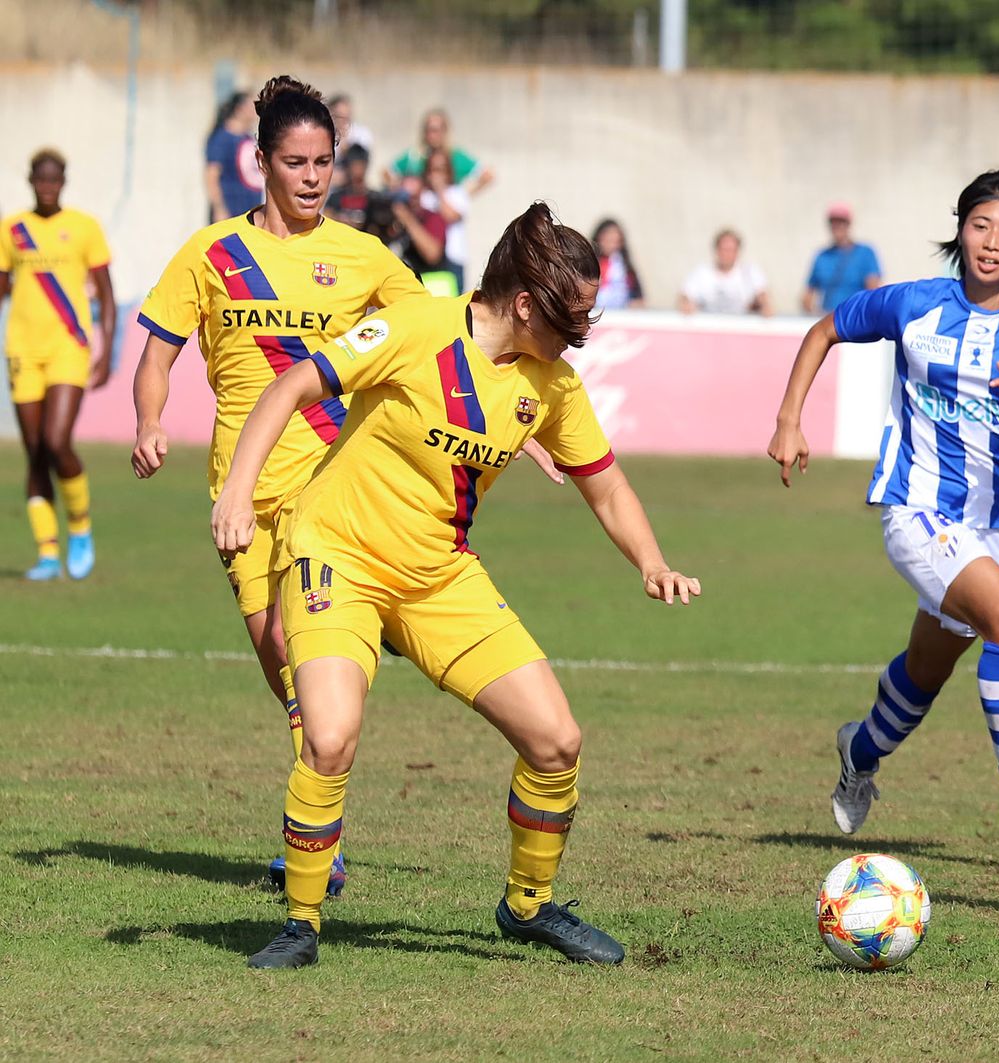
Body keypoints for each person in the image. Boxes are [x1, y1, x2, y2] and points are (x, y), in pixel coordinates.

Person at [212, 203, 700, 969]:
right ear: (526, 303)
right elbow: (291, 387)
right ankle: (301, 923)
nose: (582, 331)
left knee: (556, 742)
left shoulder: (552, 386)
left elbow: (605, 484)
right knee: (329, 738)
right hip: (337, 558)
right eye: (573, 315)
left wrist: (652, 561)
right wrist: (238, 494)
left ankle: (529, 904)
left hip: (438, 574)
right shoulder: (416, 327)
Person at [132, 75, 430, 893]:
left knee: (306, 668)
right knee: (284, 670)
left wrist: (526, 420)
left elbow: (440, 338)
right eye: (295, 162)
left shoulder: (364, 256)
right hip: (243, 494)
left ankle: (318, 849)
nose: (312, 177)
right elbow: (156, 356)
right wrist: (150, 421)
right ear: (260, 162)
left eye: (323, 162)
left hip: (334, 492)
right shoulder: (211, 253)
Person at [768, 167, 999, 837]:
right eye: (980, 225)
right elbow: (824, 330)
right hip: (917, 508)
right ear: (960, 231)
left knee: (926, 671)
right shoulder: (914, 304)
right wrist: (789, 419)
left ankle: (859, 754)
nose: (992, 241)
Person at [1, 149, 115, 580]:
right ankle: (48, 552)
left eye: (54, 180)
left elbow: (106, 292)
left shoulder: (84, 227)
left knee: (56, 441)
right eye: (41, 180)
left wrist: (107, 349)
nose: (47, 187)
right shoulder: (13, 229)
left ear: (63, 182)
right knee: (34, 452)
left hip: (69, 346)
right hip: (22, 350)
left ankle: (80, 527)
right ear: (31, 181)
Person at [390, 108, 493, 197]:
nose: (431, 135)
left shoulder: (455, 156)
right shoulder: (415, 156)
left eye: (435, 130)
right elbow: (388, 172)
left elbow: (487, 175)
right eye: (428, 130)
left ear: (444, 131)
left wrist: (462, 198)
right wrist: (404, 194)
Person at [802, 203, 881, 314]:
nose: (837, 226)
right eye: (833, 222)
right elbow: (808, 295)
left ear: (848, 224)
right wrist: (815, 314)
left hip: (855, 317)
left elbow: (873, 291)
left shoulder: (865, 253)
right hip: (829, 317)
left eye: (841, 222)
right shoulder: (822, 256)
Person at [205, 92, 265, 223]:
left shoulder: (249, 138)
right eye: (253, 106)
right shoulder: (222, 138)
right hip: (230, 212)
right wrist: (219, 209)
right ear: (240, 109)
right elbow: (211, 175)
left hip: (250, 212)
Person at [679, 229, 770, 316]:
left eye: (731, 250)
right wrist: (686, 304)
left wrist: (765, 306)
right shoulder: (702, 272)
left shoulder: (749, 272)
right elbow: (686, 295)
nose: (726, 254)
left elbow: (763, 295)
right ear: (716, 250)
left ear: (737, 252)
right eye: (723, 249)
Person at [418, 148, 470, 294]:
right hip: (429, 262)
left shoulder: (458, 193)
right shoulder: (423, 195)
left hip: (454, 259)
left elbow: (451, 216)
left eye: (440, 170)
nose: (436, 175)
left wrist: (440, 191)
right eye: (433, 170)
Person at [592, 219, 644, 310]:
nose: (610, 245)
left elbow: (638, 298)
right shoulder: (590, 263)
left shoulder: (625, 267)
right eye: (607, 240)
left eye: (614, 241)